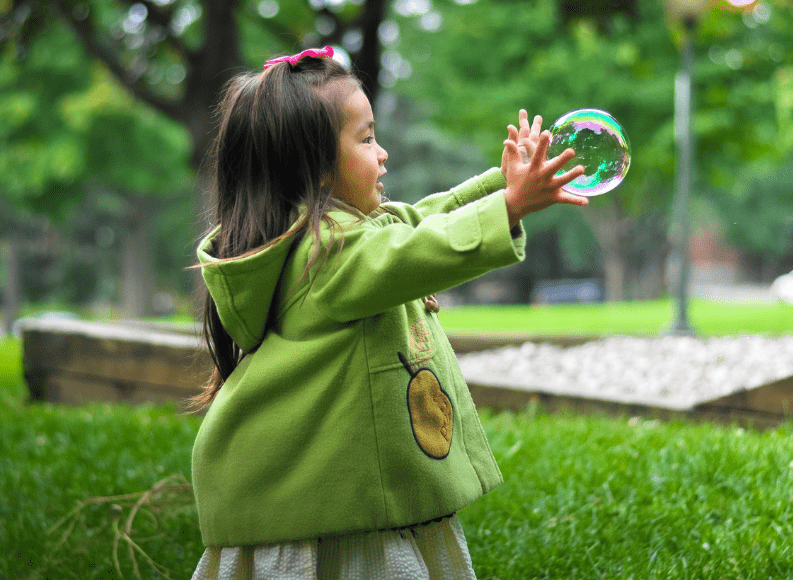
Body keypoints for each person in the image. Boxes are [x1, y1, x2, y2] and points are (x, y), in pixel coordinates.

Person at [188, 46, 587, 580]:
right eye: (367, 138)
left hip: (350, 501)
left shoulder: (344, 237)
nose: (383, 154)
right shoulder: (325, 256)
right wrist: (509, 207)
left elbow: (423, 218)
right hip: (331, 520)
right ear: (318, 168)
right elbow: (419, 250)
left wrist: (501, 183)